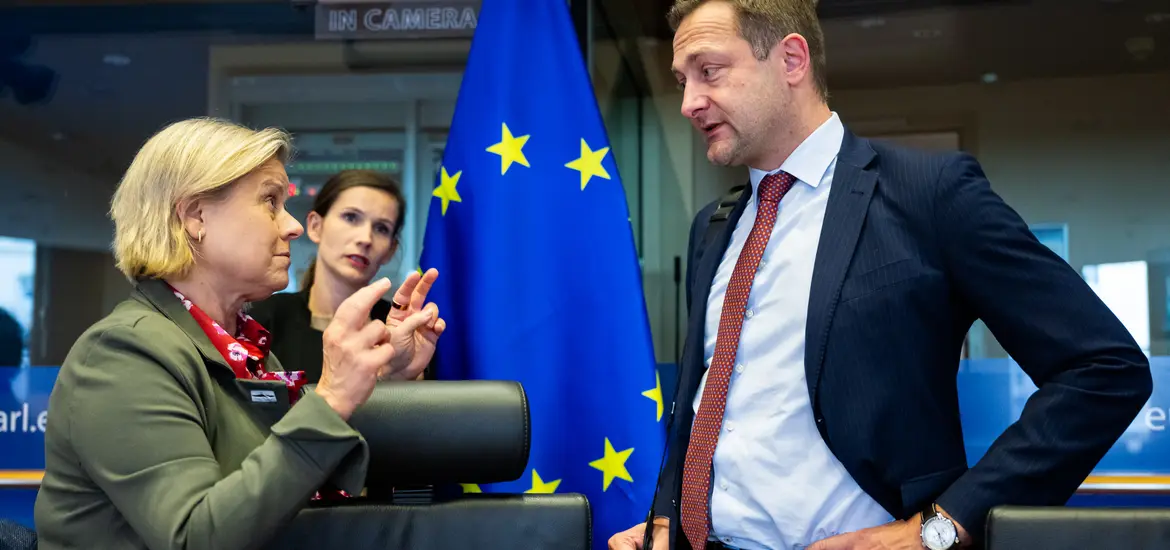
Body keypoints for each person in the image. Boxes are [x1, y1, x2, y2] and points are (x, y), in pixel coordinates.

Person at [610, 1, 1152, 550]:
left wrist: (939, 530)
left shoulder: (930, 195)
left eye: (709, 71)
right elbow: (709, 400)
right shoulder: (713, 227)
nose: (688, 103)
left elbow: (1105, 369)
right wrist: (667, 519)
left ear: (791, 60)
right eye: (681, 81)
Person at [33, 117, 444, 550]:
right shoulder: (121, 353)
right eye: (270, 202)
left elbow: (289, 478)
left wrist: (385, 378)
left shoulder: (245, 348)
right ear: (196, 216)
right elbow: (198, 539)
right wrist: (331, 398)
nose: (293, 227)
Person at [249, 169, 441, 382]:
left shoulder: (406, 335)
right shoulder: (259, 322)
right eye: (351, 217)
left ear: (391, 250)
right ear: (315, 226)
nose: (365, 238)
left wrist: (401, 375)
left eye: (381, 228)